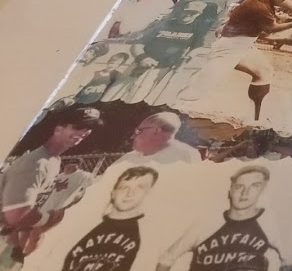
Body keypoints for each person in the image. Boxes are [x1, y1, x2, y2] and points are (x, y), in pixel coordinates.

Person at [1, 107, 101, 255]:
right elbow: (16, 215)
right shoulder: (38, 163)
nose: (83, 132)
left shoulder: (53, 161)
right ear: (58, 129)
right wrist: (48, 219)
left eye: (88, 129)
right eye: (78, 126)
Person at [156, 165, 283, 271]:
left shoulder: (270, 223)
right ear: (231, 190)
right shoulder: (207, 224)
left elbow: (291, 262)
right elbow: (167, 258)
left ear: (263, 190)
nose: (245, 193)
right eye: (239, 187)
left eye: (254, 186)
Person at [59, 166, 158, 271]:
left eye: (140, 188)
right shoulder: (86, 225)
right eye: (124, 187)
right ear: (113, 193)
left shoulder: (147, 238)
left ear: (149, 193)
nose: (129, 194)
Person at [117, 112, 200, 166]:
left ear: (156, 131)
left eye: (139, 131)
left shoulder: (185, 155)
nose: (132, 136)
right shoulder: (129, 158)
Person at [108, 0, 174, 38]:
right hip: (123, 39)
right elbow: (117, 23)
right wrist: (112, 36)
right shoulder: (128, 3)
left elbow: (169, 17)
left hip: (147, 38)